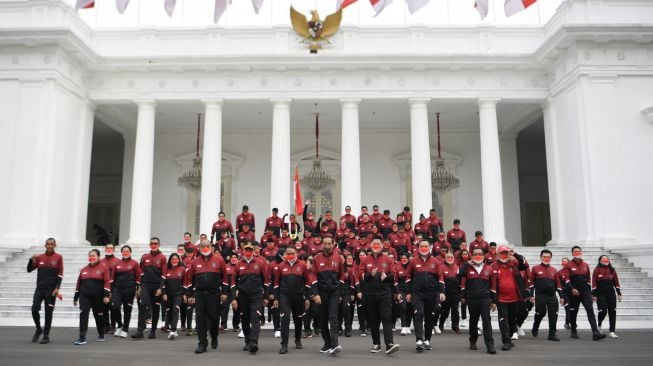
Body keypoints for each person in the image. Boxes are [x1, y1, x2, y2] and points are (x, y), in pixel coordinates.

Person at [185, 240, 229, 353]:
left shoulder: (219, 260)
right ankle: (202, 343)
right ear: (199, 248)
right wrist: (189, 294)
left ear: (211, 247)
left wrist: (224, 292)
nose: (205, 248)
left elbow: (225, 278)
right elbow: (190, 280)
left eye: (207, 246)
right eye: (203, 246)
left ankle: (214, 336)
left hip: (214, 294)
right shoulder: (194, 262)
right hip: (199, 294)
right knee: (200, 319)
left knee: (214, 318)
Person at [360, 238, 400, 355]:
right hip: (370, 294)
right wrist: (370, 274)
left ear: (382, 245)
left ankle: (389, 344)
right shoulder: (365, 259)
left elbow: (394, 275)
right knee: (373, 320)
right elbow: (361, 275)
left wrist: (386, 277)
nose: (376, 245)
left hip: (385, 294)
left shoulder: (388, 259)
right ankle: (376, 344)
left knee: (386, 318)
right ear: (370, 245)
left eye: (378, 244)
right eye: (374, 244)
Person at [559, 246, 606, 340]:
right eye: (575, 251)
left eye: (579, 251)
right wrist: (572, 289)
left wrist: (591, 293)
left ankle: (595, 332)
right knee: (573, 313)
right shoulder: (568, 265)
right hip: (573, 293)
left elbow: (588, 280)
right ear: (572, 253)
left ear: (581, 252)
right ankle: (573, 331)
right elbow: (566, 279)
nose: (577, 252)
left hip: (585, 293)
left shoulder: (585, 265)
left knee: (590, 310)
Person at [273, 247, 313, 354]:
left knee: (298, 319)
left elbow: (308, 282)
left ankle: (297, 339)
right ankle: (284, 344)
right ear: (285, 254)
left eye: (292, 253)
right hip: (284, 296)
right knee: (285, 318)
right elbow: (276, 283)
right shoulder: (281, 266)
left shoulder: (302, 265)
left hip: (298, 296)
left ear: (296, 254)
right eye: (288, 253)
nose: (290, 255)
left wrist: (307, 297)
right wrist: (276, 298)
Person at [406, 240, 443, 352]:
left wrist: (441, 292)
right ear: (418, 248)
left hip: (432, 294)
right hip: (417, 293)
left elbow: (440, 277)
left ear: (430, 247)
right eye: (421, 246)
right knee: (419, 314)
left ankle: (427, 340)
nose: (424, 248)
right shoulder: (413, 261)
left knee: (429, 317)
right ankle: (419, 340)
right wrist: (408, 292)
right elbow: (408, 277)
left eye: (426, 246)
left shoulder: (436, 261)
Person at [233, 242, 269, 354]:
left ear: (253, 251)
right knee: (244, 318)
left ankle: (254, 342)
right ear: (243, 251)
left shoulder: (260, 263)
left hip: (257, 294)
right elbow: (234, 281)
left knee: (255, 317)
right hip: (243, 295)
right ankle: (247, 340)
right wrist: (234, 297)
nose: (248, 252)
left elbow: (266, 280)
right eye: (246, 250)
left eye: (250, 250)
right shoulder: (239, 264)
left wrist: (266, 296)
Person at [460, 248, 497, 354]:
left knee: (486, 322)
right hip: (472, 300)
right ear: (472, 256)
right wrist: (467, 263)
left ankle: (490, 346)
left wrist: (494, 301)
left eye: (480, 254)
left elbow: (493, 286)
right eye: (475, 254)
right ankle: (473, 341)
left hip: (485, 300)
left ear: (483, 256)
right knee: (473, 321)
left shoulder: (489, 268)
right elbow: (459, 274)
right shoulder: (468, 268)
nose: (478, 256)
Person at [27, 237, 63, 344]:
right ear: (45, 245)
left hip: (51, 290)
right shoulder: (40, 257)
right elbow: (29, 269)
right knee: (34, 309)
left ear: (55, 245)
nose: (50, 246)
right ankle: (39, 329)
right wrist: (31, 259)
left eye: (52, 244)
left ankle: (46, 335)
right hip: (40, 288)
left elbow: (60, 274)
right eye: (48, 244)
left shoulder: (58, 257)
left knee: (48, 312)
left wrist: (57, 288)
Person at [312, 236, 344, 355]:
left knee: (333, 317)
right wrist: (315, 294)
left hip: (334, 292)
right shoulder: (316, 258)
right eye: (324, 244)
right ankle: (327, 344)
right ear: (321, 245)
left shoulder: (339, 258)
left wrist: (340, 293)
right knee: (323, 319)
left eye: (328, 244)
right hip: (321, 292)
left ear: (333, 244)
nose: (326, 246)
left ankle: (335, 345)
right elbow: (313, 276)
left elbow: (341, 276)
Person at [491, 246, 527, 351]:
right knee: (503, 320)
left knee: (512, 320)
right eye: (502, 253)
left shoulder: (514, 264)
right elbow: (490, 282)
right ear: (498, 254)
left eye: (506, 253)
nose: (504, 255)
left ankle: (510, 338)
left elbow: (524, 264)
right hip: (501, 299)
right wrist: (492, 300)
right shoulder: (493, 266)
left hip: (515, 298)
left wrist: (515, 254)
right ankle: (506, 341)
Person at [73, 249, 111, 345]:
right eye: (90, 255)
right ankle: (82, 337)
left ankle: (101, 333)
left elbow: (107, 282)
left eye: (93, 255)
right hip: (85, 296)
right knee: (83, 314)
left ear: (98, 257)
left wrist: (106, 295)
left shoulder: (103, 268)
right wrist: (76, 297)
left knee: (98, 316)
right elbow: (78, 284)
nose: (91, 257)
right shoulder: (83, 269)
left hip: (98, 297)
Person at [132, 237, 167, 339]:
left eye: (155, 243)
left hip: (156, 286)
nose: (153, 245)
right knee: (142, 305)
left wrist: (160, 288)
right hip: (146, 285)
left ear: (159, 245)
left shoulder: (162, 257)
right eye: (151, 243)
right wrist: (139, 287)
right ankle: (140, 330)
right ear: (149, 245)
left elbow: (164, 275)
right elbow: (141, 273)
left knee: (155, 308)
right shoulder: (145, 257)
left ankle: (153, 330)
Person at [529, 249, 562, 341]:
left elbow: (558, 285)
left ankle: (552, 334)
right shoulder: (535, 268)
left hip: (552, 296)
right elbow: (531, 283)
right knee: (541, 313)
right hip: (540, 296)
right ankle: (536, 326)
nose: (546, 258)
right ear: (541, 257)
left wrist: (561, 296)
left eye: (548, 257)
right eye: (544, 257)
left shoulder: (554, 270)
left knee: (553, 314)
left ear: (551, 258)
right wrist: (531, 295)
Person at [112, 245, 141, 338]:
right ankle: (120, 325)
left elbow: (139, 276)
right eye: (123, 251)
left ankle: (125, 329)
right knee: (115, 307)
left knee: (127, 309)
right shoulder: (117, 263)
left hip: (129, 289)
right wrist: (110, 290)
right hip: (117, 288)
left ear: (130, 252)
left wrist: (138, 288)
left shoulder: (134, 263)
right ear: (121, 252)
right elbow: (112, 277)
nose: (125, 252)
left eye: (127, 251)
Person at [593, 255, 622, 339]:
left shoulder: (612, 270)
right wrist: (594, 294)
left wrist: (619, 293)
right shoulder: (597, 270)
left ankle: (612, 331)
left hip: (611, 295)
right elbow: (594, 282)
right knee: (603, 311)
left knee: (612, 312)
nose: (605, 260)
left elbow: (616, 282)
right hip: (600, 294)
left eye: (607, 258)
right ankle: (599, 325)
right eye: (603, 258)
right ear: (600, 260)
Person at [162, 253, 186, 340]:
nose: (174, 260)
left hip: (178, 295)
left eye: (176, 259)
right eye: (172, 259)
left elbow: (185, 283)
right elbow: (163, 283)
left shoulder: (182, 269)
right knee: (169, 312)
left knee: (175, 310)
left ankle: (172, 331)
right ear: (170, 260)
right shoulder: (166, 269)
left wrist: (184, 294)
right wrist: (164, 293)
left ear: (178, 260)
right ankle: (174, 329)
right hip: (168, 295)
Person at [100, 243, 121, 334]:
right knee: (104, 307)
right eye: (107, 248)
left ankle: (113, 326)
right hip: (103, 287)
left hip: (114, 287)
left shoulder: (118, 261)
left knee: (113, 307)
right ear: (105, 249)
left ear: (114, 250)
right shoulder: (100, 261)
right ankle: (106, 326)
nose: (109, 249)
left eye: (111, 248)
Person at [439, 252, 461, 334]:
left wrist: (461, 294)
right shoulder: (441, 267)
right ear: (445, 258)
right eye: (448, 257)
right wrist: (442, 292)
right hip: (445, 293)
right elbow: (440, 281)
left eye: (451, 257)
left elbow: (460, 281)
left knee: (455, 310)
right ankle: (441, 324)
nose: (449, 258)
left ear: (454, 258)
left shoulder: (457, 268)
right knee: (445, 311)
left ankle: (455, 326)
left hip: (455, 292)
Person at [395, 253, 413, 335]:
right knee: (403, 307)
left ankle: (408, 326)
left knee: (410, 308)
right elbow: (395, 281)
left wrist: (410, 293)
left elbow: (414, 281)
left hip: (411, 291)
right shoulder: (397, 267)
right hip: (401, 291)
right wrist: (398, 292)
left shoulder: (412, 267)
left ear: (408, 258)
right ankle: (403, 327)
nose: (404, 259)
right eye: (402, 258)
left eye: (405, 258)